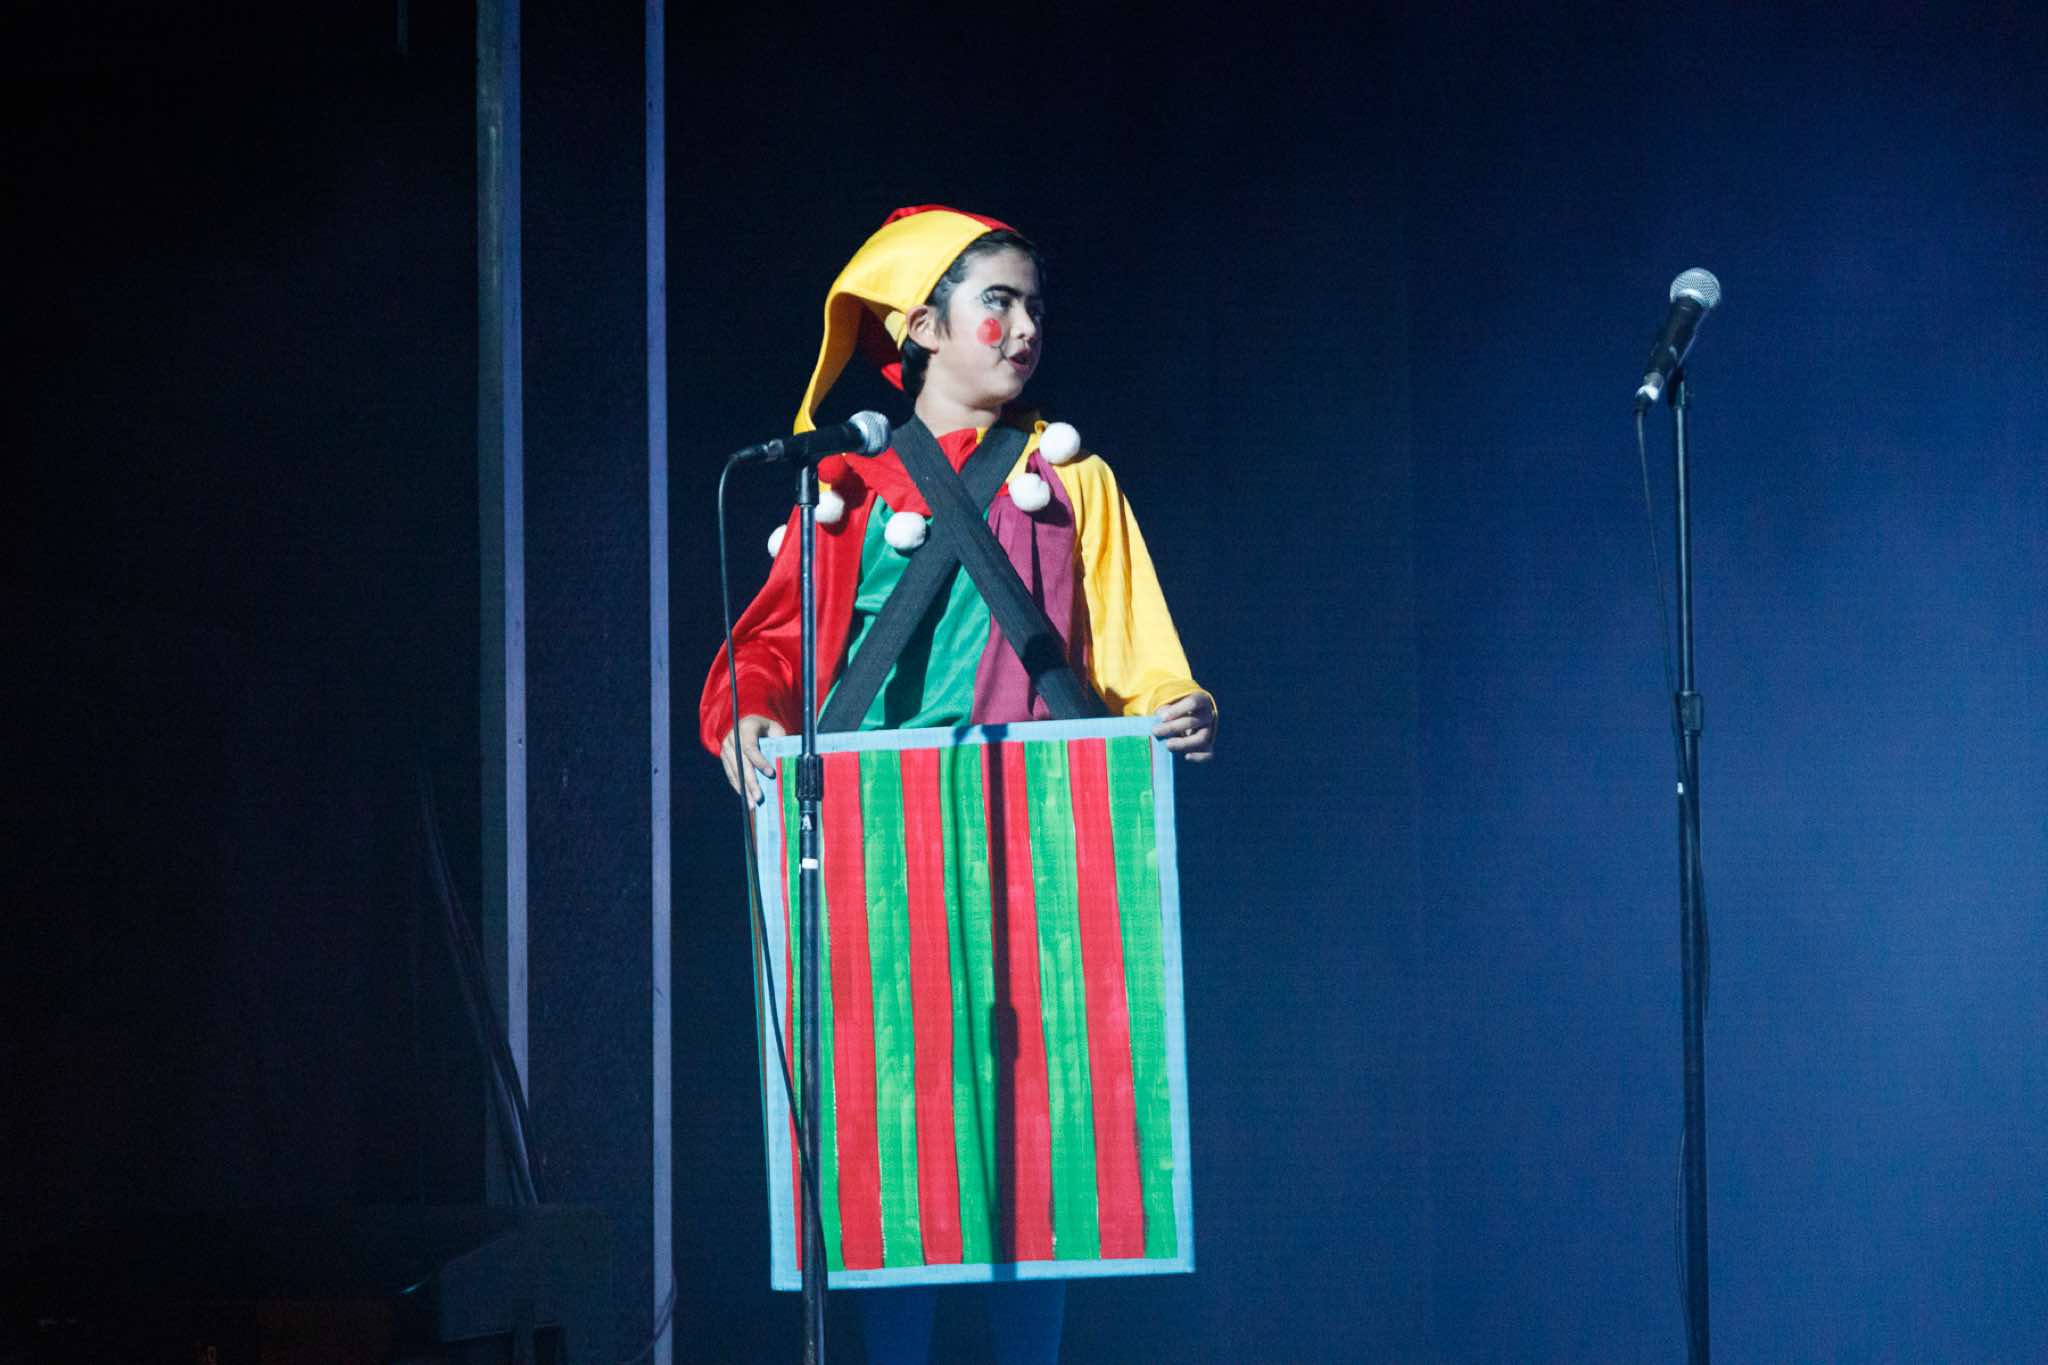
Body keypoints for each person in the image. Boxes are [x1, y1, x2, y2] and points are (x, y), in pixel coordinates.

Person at [699, 205, 1214, 1363]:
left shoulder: (1070, 481)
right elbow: (769, 648)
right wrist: (748, 718)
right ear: (923, 328)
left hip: (1038, 843)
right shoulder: (843, 484)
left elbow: (1135, 650)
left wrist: (1173, 705)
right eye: (997, 304)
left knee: (1041, 1137)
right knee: (893, 1134)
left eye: (1034, 306)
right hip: (876, 849)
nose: (1024, 328)